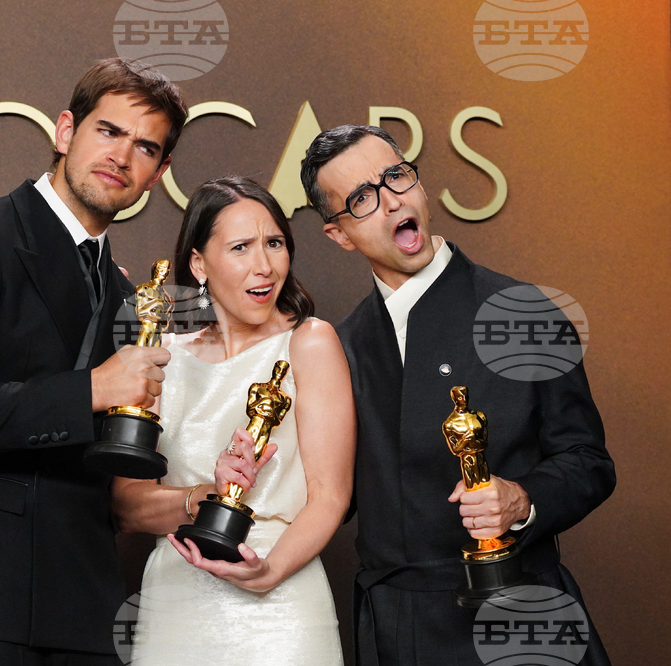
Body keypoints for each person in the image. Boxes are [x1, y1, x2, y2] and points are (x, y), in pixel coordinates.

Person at [0, 58, 188, 666]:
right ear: (66, 131)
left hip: (84, 596)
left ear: (159, 173)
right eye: (108, 131)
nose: (122, 157)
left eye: (145, 147)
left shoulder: (127, 296)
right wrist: (90, 390)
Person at [300, 125, 615, 665]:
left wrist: (522, 499)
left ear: (419, 188)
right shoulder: (340, 346)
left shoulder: (521, 312)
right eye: (361, 198)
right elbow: (330, 491)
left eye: (397, 177)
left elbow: (589, 461)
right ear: (340, 235)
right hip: (401, 626)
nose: (391, 199)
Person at [113, 176, 355, 665]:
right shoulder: (162, 358)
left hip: (282, 602)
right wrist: (203, 497)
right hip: (176, 602)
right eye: (241, 247)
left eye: (275, 244)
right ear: (199, 263)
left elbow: (331, 494)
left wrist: (270, 570)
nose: (264, 266)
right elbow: (126, 506)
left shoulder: (310, 342)